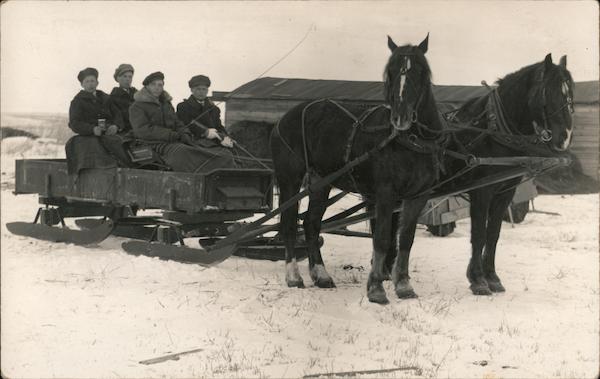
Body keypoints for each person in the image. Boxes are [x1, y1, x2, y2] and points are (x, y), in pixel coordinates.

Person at [129, 71, 237, 172]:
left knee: (203, 151)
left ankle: (217, 173)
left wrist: (185, 133)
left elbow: (177, 122)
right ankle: (197, 177)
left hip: (172, 141)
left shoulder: (166, 105)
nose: (157, 88)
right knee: (183, 152)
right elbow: (142, 130)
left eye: (160, 85)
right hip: (152, 143)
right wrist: (172, 135)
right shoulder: (137, 106)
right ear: (146, 87)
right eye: (153, 84)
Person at [176, 74, 233, 148]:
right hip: (192, 142)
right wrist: (204, 132)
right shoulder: (183, 106)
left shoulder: (214, 109)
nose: (201, 92)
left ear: (207, 90)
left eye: (204, 89)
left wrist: (226, 137)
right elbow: (187, 123)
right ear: (192, 90)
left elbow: (218, 126)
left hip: (214, 142)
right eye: (198, 89)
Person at [68, 67, 122, 136]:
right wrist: (92, 129)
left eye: (92, 81)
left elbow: (118, 115)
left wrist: (116, 126)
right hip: (88, 137)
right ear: (82, 84)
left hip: (109, 134)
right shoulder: (77, 101)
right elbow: (74, 123)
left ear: (97, 83)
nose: (90, 84)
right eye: (87, 81)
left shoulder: (106, 98)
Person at [108, 63, 137, 134]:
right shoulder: (113, 97)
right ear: (118, 78)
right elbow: (117, 116)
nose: (128, 79)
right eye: (125, 76)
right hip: (125, 131)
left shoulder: (137, 95)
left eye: (130, 77)